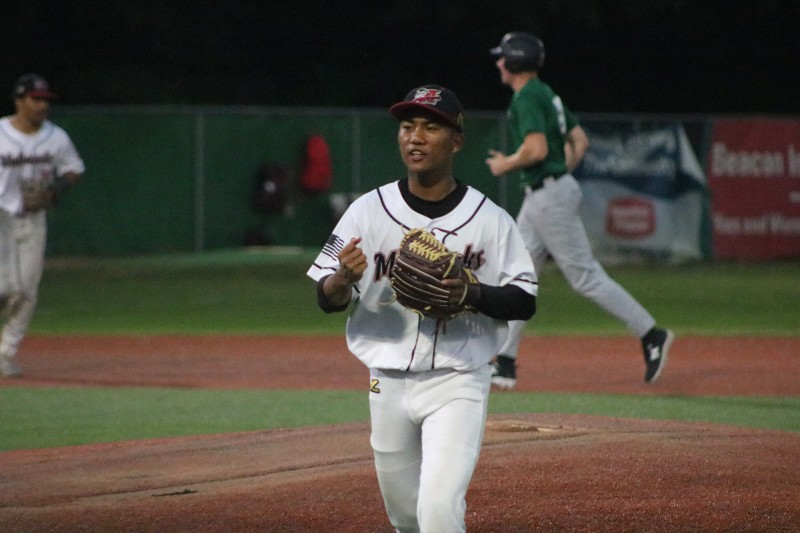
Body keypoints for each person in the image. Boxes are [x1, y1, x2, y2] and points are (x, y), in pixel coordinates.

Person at [307, 85, 537, 532]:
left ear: (456, 141)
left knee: (438, 508)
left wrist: (471, 294)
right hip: (386, 382)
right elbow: (326, 298)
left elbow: (524, 300)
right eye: (408, 126)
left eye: (430, 127)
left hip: (459, 380)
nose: (415, 137)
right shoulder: (367, 211)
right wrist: (342, 280)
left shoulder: (490, 219)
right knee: (405, 517)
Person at [485, 32, 674, 389]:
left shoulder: (527, 97)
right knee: (518, 275)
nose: (499, 63)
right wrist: (560, 177)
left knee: (584, 277)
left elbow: (537, 149)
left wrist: (506, 164)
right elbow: (580, 141)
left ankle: (651, 334)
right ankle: (505, 363)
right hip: (547, 193)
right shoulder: (546, 93)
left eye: (502, 57)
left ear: (515, 61)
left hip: (548, 195)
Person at [0, 74, 85, 377]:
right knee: (5, 288)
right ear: (19, 101)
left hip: (34, 219)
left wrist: (57, 189)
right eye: (35, 99)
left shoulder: (55, 136)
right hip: (1, 217)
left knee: (26, 290)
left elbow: (74, 169)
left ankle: (5, 354)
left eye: (45, 100)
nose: (42, 105)